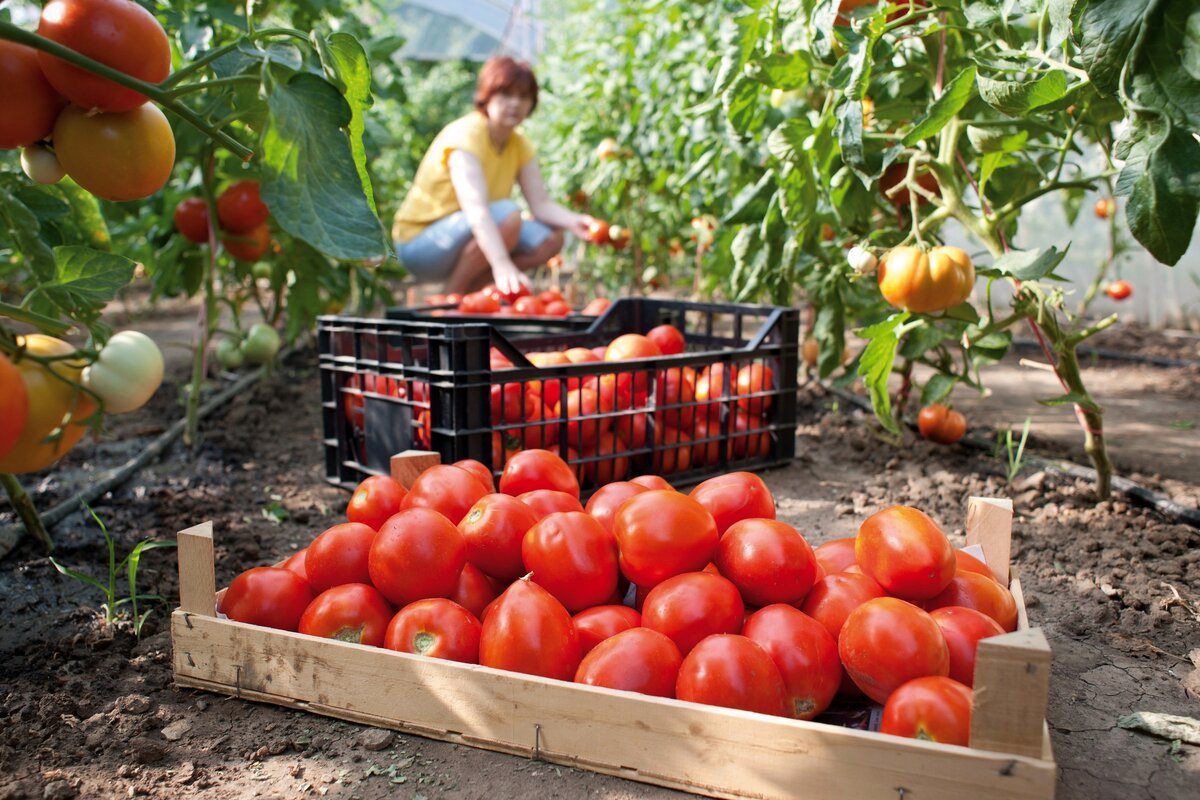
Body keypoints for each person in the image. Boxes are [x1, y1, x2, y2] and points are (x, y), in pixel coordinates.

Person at [392, 56, 595, 297]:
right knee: (508, 215)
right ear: (486, 97)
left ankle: (470, 298)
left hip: (467, 237)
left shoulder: (520, 145)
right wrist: (501, 263)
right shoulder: (466, 135)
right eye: (506, 95)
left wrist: (575, 221)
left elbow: (540, 204)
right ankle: (449, 300)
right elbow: (476, 210)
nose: (515, 103)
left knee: (551, 239)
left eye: (523, 96)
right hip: (421, 245)